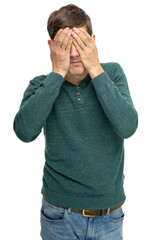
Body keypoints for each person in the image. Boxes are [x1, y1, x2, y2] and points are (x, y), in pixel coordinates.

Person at [13, 4, 138, 240]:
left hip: (109, 216)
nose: (73, 54)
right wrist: (57, 74)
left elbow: (128, 126)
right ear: (51, 46)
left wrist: (95, 69)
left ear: (92, 41)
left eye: (80, 44)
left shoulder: (111, 74)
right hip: (59, 216)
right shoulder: (41, 85)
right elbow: (24, 132)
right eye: (65, 45)